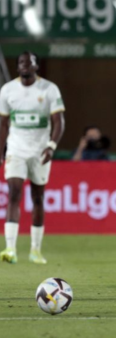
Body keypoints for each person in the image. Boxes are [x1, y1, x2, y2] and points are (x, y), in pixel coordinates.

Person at [0, 51, 65, 264]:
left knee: (38, 198)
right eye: (21, 63)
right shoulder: (8, 90)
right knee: (14, 194)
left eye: (29, 63)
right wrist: (1, 148)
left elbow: (58, 121)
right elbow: (3, 124)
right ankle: (10, 249)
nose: (25, 66)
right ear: (17, 66)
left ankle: (35, 250)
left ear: (36, 66)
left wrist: (51, 146)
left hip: (40, 151)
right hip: (16, 150)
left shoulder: (48, 89)